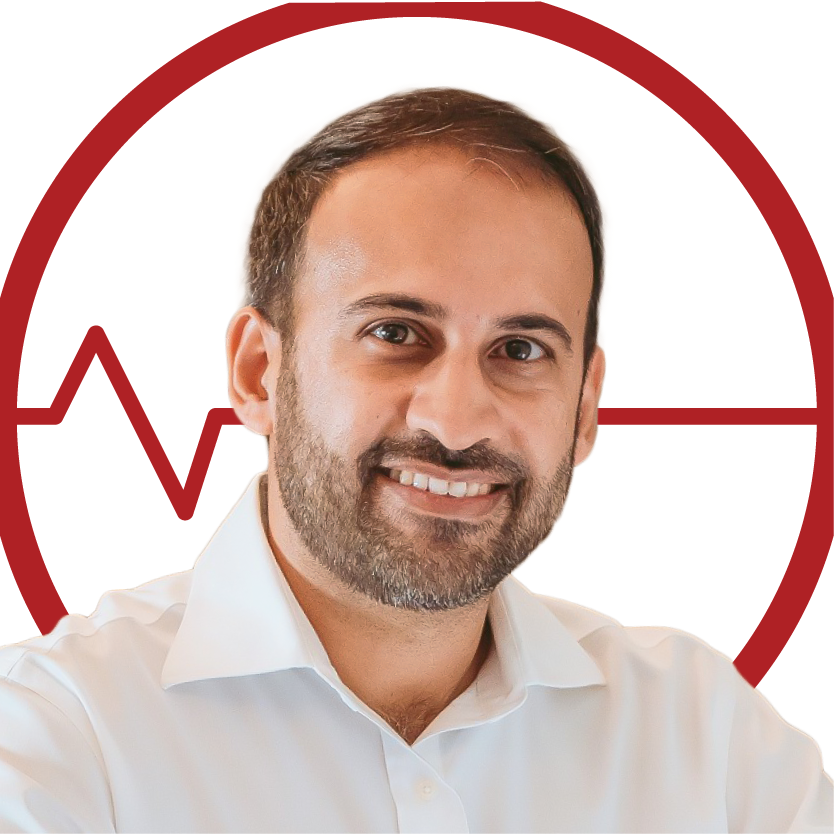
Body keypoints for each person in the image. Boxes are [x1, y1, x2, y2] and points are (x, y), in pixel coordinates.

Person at [1, 88, 831, 833]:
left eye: (521, 349)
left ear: (584, 408)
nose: (457, 421)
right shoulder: (55, 736)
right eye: (395, 333)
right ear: (258, 373)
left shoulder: (717, 749)